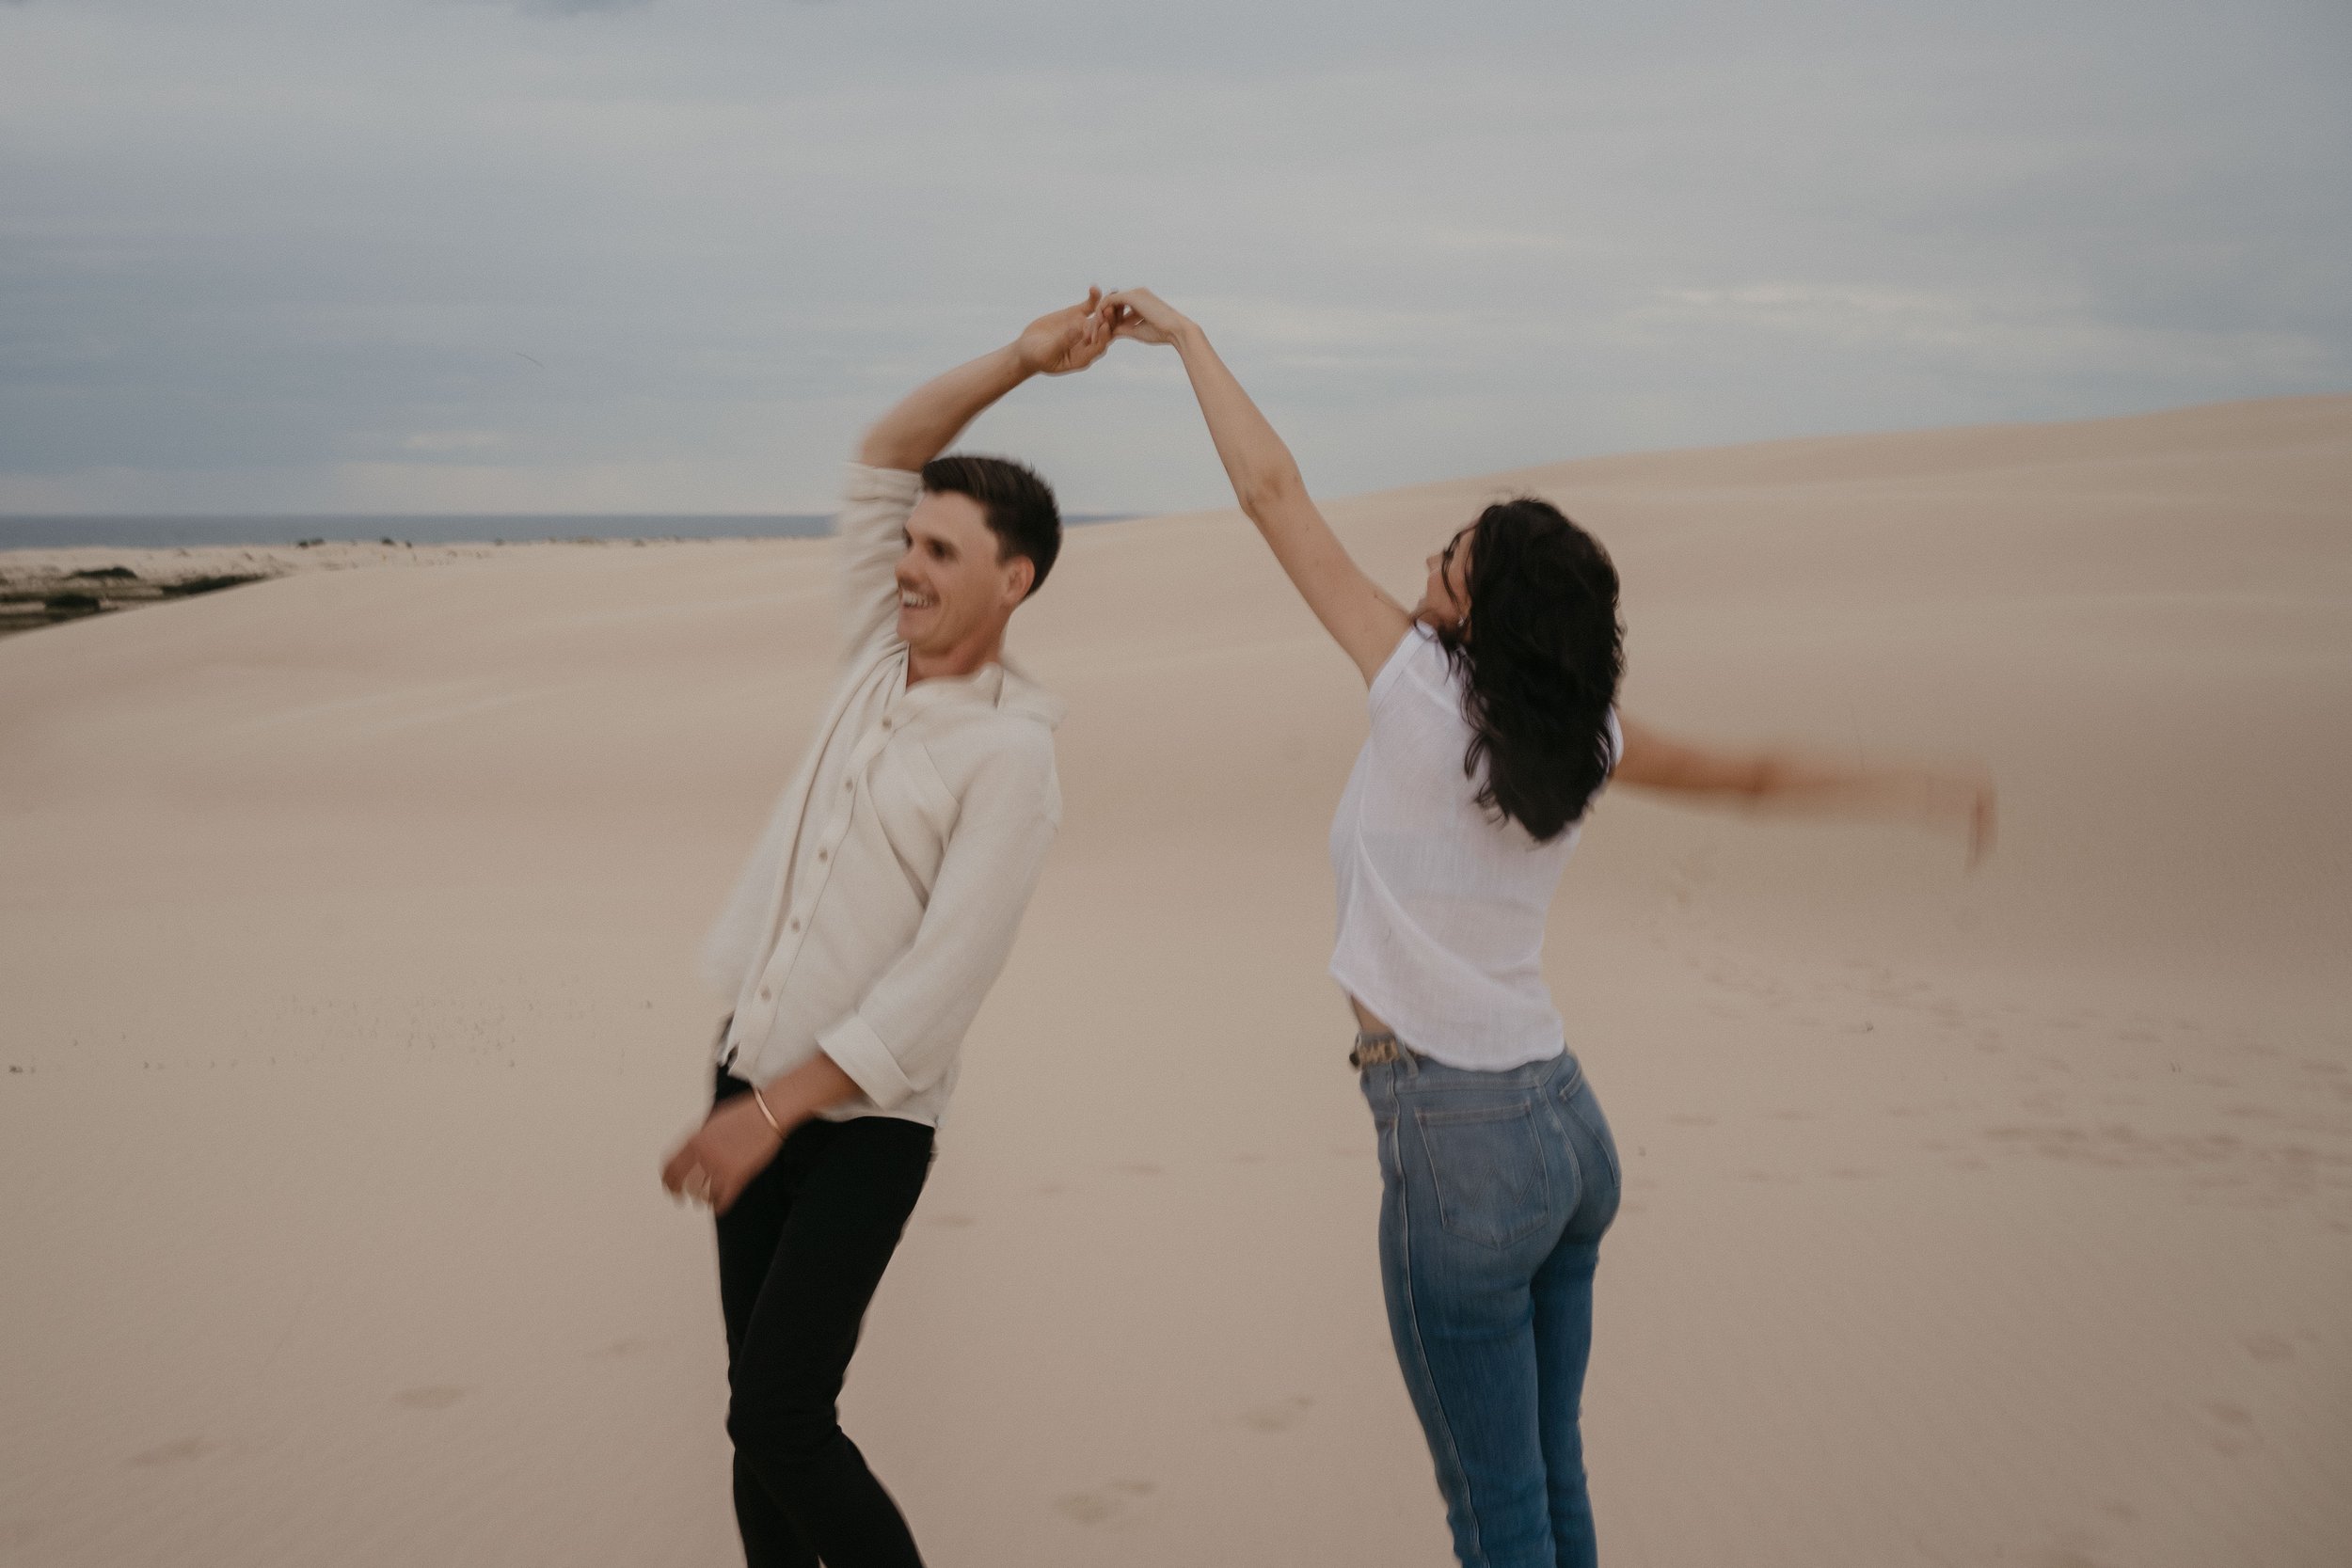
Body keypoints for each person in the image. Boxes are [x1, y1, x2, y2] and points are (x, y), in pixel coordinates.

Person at [1100, 287, 1993, 1568]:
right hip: (1565, 1136)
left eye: (1447, 560)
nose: (1423, 565)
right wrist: (1916, 787)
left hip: (1456, 1141)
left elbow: (1274, 498)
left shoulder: (1415, 690)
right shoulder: (1585, 736)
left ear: (1476, 609)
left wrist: (1185, 339)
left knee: (1497, 1517)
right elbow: (1750, 778)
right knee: (1549, 1480)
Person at [660, 292, 1115, 1568]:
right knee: (757, 1423)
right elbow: (881, 453)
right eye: (909, 543)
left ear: (1014, 581)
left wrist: (771, 1111)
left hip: (859, 1131)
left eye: (943, 554)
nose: (908, 566)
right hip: (748, 1071)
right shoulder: (877, 654)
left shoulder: (1014, 758)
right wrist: (1026, 360)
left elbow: (939, 992)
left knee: (782, 1413)